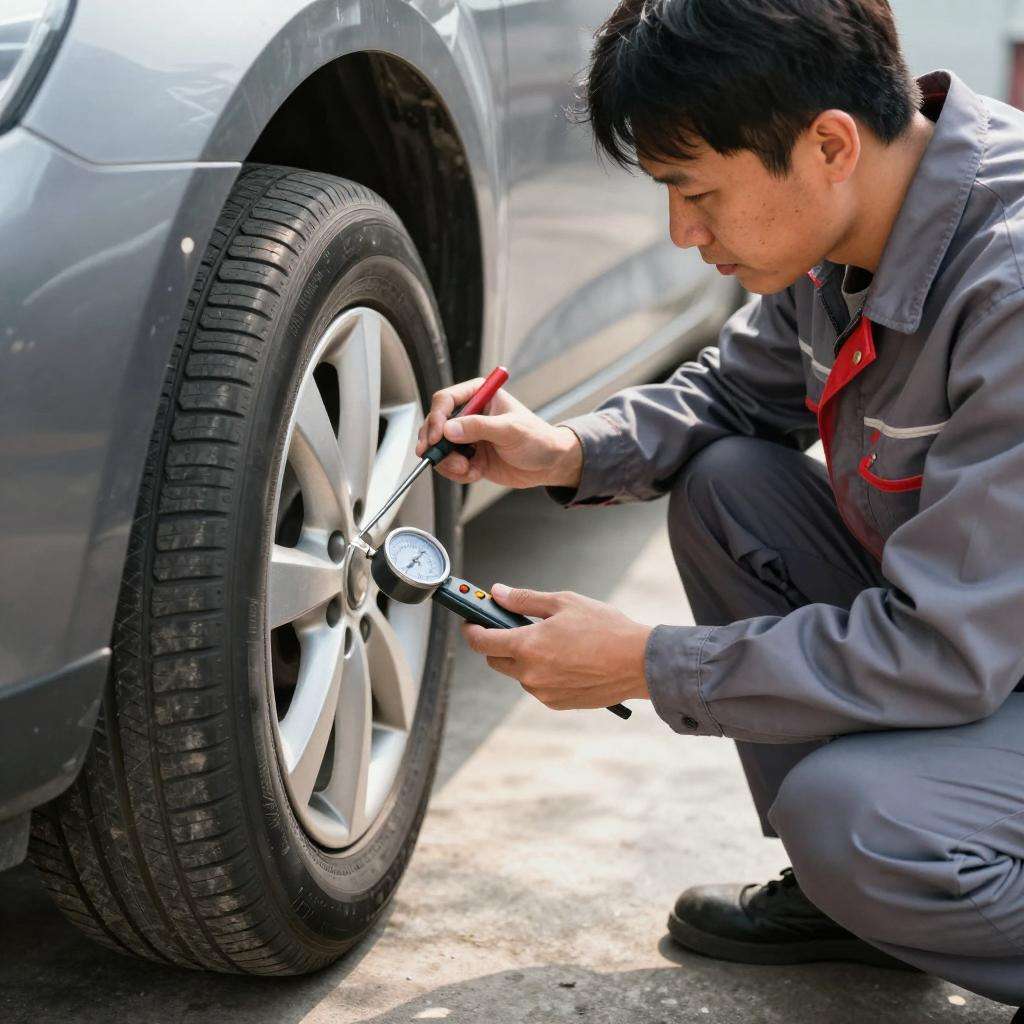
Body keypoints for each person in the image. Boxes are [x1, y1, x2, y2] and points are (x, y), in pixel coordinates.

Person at [414, 0, 1024, 1014]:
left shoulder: (1006, 286)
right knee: (728, 483)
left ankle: (884, 876)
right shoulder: (859, 211)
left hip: (977, 647)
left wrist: (644, 662)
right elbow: (733, 395)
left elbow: (949, 648)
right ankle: (862, 907)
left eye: (694, 192)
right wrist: (563, 451)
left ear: (827, 142)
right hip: (990, 639)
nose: (680, 233)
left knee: (858, 825)